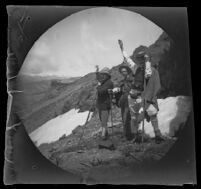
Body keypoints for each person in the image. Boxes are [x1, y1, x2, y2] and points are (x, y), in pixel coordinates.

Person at [113, 40, 164, 144]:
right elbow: (128, 60)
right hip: (134, 96)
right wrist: (122, 49)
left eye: (142, 58)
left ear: (146, 58)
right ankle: (137, 137)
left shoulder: (152, 70)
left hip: (146, 97)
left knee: (152, 113)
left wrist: (147, 62)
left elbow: (151, 78)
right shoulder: (136, 68)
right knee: (135, 118)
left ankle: (158, 135)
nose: (140, 60)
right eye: (139, 59)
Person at [96, 66, 114, 140]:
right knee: (102, 121)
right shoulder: (104, 82)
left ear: (107, 75)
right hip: (101, 105)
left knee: (104, 122)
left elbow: (101, 91)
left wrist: (98, 86)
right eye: (102, 74)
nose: (102, 76)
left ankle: (104, 137)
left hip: (105, 105)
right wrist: (97, 73)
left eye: (104, 74)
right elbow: (99, 79)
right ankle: (105, 136)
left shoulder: (109, 83)